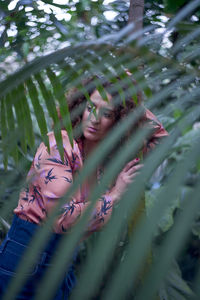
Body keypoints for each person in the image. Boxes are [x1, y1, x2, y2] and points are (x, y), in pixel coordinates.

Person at [0, 74, 168, 299]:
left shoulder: (105, 162)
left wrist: (128, 93)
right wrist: (115, 195)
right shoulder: (58, 146)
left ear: (119, 121)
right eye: (91, 107)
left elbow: (161, 141)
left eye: (107, 113)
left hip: (60, 264)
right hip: (25, 261)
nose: (95, 119)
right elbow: (61, 219)